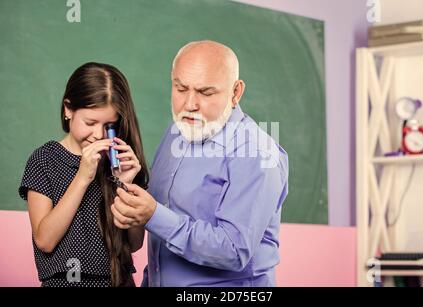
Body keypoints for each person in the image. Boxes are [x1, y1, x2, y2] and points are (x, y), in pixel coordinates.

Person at [111, 40, 288, 286]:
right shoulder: (177, 131)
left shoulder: (258, 152)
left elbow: (234, 250)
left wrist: (153, 215)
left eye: (205, 92)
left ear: (236, 92)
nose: (190, 104)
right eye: (181, 88)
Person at [18, 62, 148, 287]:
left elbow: (135, 244)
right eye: (90, 122)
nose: (98, 134)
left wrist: (127, 187)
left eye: (109, 125)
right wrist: (83, 177)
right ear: (68, 109)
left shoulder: (119, 162)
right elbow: (45, 241)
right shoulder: (44, 160)